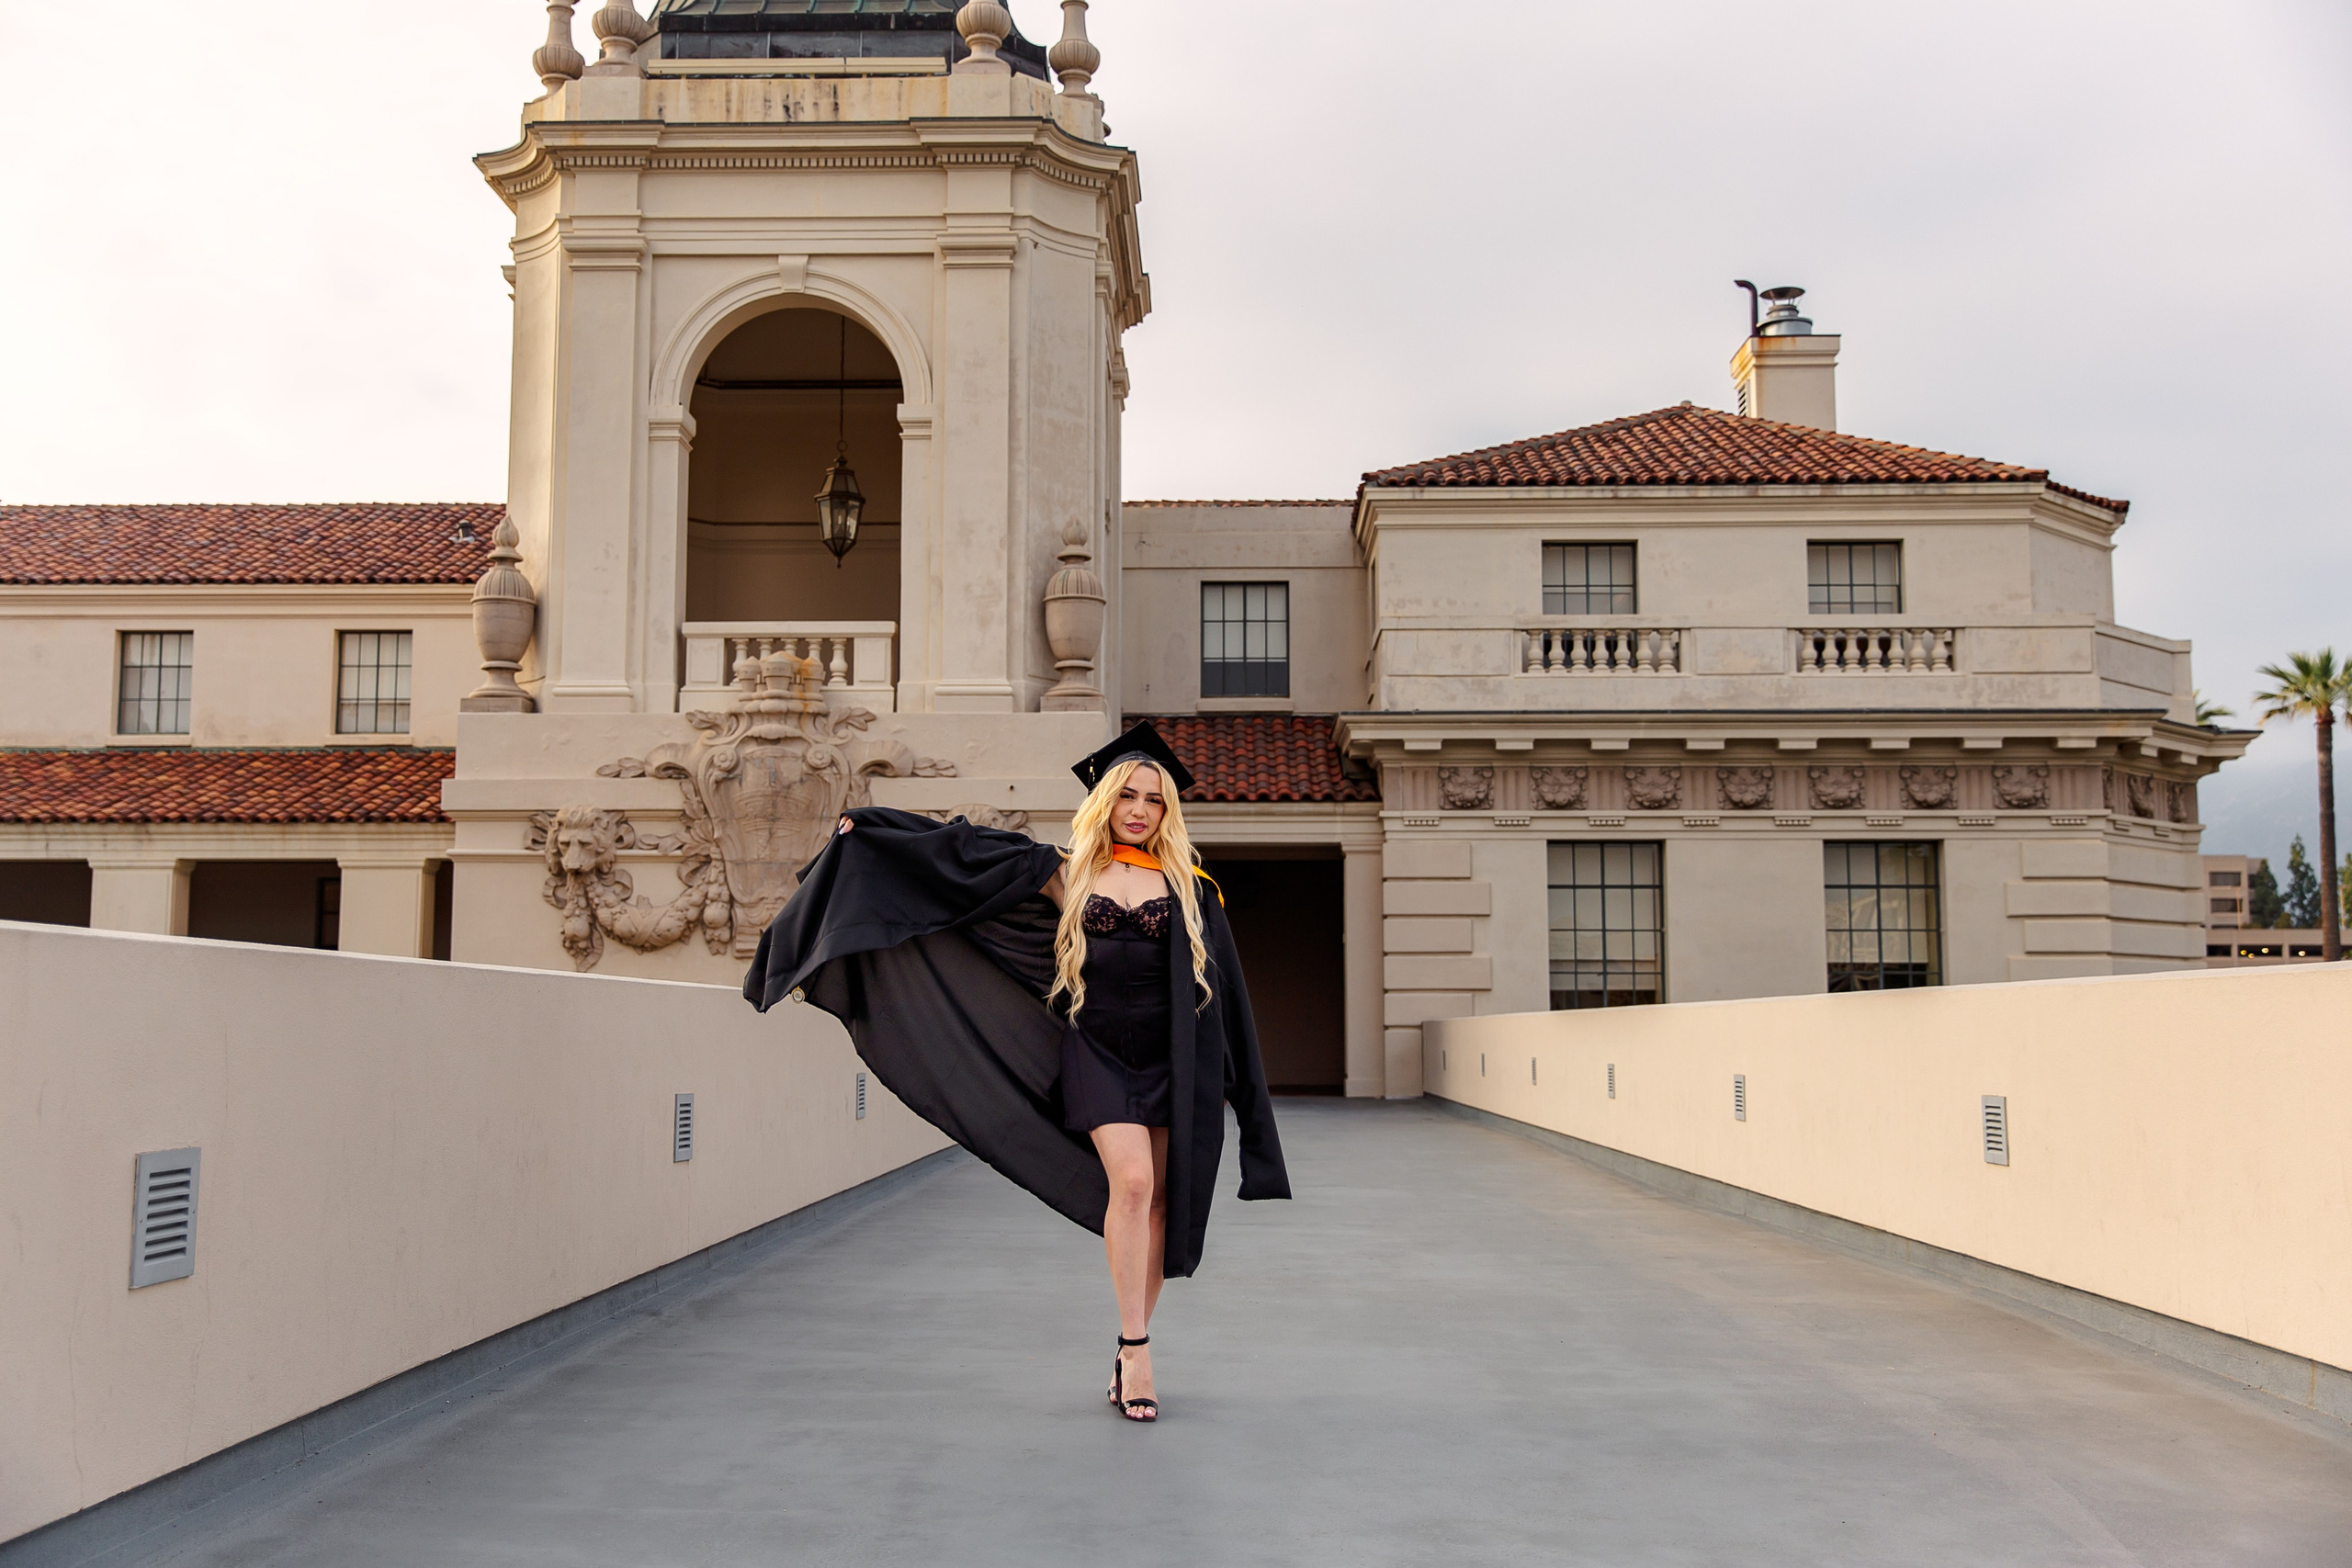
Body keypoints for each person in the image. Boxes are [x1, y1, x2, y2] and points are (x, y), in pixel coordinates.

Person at [744, 722, 1291, 1423]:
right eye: (1127, 794)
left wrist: (1245, 1106)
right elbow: (959, 854)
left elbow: (1230, 998)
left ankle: (1129, 1341)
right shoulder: (1067, 870)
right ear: (1104, 798)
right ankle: (1136, 1347)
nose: (1139, 808)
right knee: (1131, 1183)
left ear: (1167, 811)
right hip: (1097, 1053)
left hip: (1170, 1060)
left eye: (1154, 800)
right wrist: (872, 831)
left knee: (1158, 1203)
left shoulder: (1192, 888)